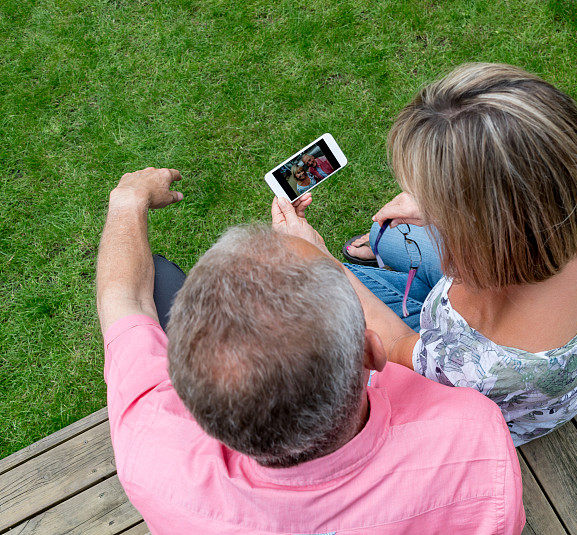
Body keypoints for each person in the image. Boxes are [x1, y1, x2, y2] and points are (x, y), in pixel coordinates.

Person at [96, 168, 525, 534]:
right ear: (371, 352)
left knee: (160, 277)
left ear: (188, 396)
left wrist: (128, 200)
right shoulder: (474, 439)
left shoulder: (151, 453)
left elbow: (125, 301)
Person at [336, 63, 577, 445]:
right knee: (389, 238)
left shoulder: (480, 361)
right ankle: (380, 252)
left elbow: (396, 347)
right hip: (563, 380)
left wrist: (319, 262)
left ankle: (371, 266)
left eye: (440, 206)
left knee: (349, 286)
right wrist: (436, 208)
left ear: (481, 232)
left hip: (482, 393)